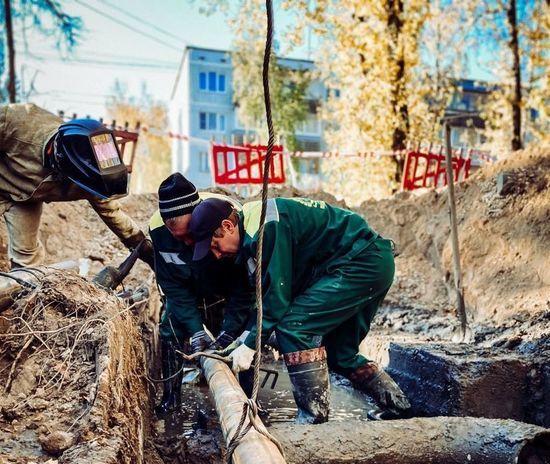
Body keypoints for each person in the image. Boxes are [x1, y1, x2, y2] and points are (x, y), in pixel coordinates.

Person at [189, 196, 411, 423]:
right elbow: (255, 297)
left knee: (294, 327)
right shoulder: (251, 233)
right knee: (339, 354)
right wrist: (235, 338)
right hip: (368, 263)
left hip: (360, 263)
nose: (216, 254)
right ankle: (398, 407)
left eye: (215, 245)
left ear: (228, 226)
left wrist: (248, 347)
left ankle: (313, 419)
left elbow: (277, 299)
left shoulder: (265, 227)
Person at [0, 103, 152, 269]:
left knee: (26, 264)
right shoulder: (17, 121)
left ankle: (17, 288)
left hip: (25, 201)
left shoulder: (90, 178)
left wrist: (143, 248)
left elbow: (111, 212)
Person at [149, 173, 252, 413]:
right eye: (179, 237)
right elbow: (173, 287)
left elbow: (244, 288)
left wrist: (230, 329)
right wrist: (195, 330)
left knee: (242, 329)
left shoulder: (224, 218)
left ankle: (248, 398)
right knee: (170, 325)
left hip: (225, 283)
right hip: (188, 284)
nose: (186, 243)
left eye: (190, 235)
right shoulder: (157, 230)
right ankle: (171, 399)